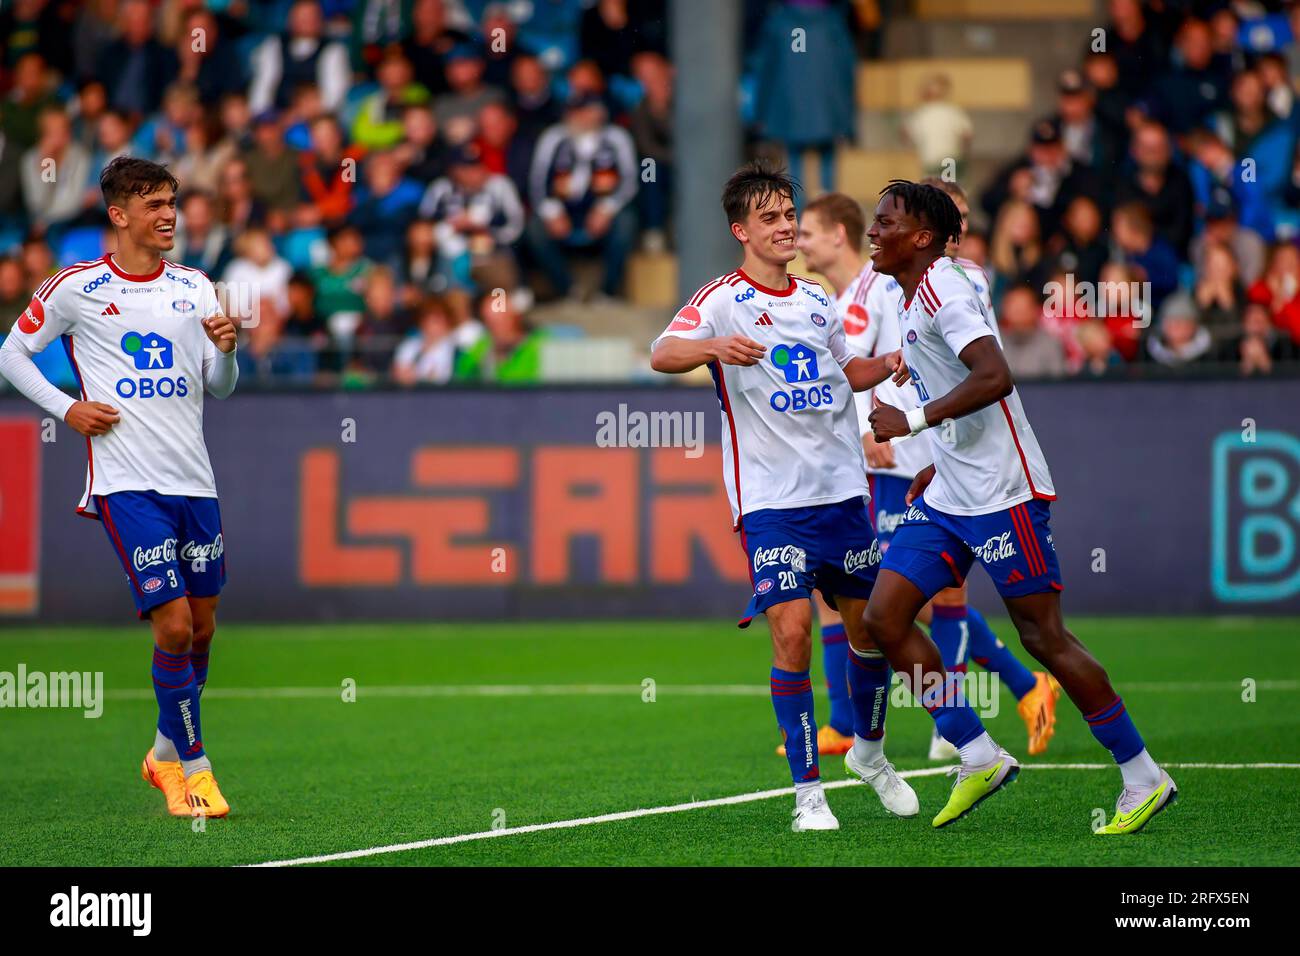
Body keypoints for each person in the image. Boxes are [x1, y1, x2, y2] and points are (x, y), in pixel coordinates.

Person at [864, 179, 1177, 833]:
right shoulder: (931, 286)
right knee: (885, 618)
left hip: (1004, 493)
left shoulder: (945, 286)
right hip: (950, 492)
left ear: (920, 237)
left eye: (886, 220)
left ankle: (1143, 775)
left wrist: (912, 419)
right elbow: (958, 367)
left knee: (1043, 637)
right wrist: (933, 454)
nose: (875, 230)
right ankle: (977, 754)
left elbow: (994, 374)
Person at [649, 160, 919, 831]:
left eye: (789, 215)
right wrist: (713, 347)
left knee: (872, 634)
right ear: (741, 229)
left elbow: (847, 367)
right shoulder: (720, 299)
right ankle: (808, 796)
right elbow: (661, 352)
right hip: (770, 504)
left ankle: (872, 755)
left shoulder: (819, 300)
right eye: (770, 217)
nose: (785, 226)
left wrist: (885, 365)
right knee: (793, 633)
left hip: (839, 496)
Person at [0, 156, 239, 818]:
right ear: (119, 215)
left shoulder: (195, 286)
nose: (169, 215)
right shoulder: (76, 286)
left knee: (203, 627)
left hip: (194, 481)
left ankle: (163, 749)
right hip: (126, 483)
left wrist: (229, 349)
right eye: (156, 205)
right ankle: (195, 769)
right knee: (173, 624)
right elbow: (10, 354)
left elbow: (219, 386)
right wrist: (66, 408)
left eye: (172, 202)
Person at [801, 187, 1064, 761]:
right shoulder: (868, 289)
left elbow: (926, 365)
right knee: (886, 593)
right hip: (896, 450)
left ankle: (981, 708)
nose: (798, 241)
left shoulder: (926, 283)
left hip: (913, 452)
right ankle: (892, 722)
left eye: (806, 231)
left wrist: (899, 428)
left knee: (921, 594)